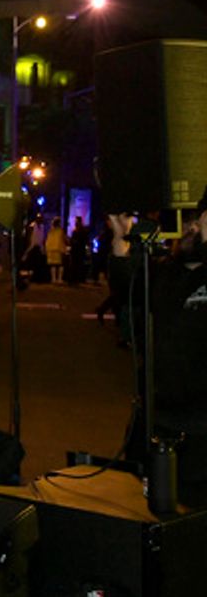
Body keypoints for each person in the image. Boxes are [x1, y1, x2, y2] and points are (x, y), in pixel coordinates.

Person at [108, 187, 207, 508]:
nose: (190, 228)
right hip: (158, 424)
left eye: (198, 220)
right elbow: (131, 288)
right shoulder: (168, 274)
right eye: (186, 221)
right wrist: (122, 237)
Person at [45, 216, 67, 284]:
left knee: (53, 264)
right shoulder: (60, 231)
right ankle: (59, 279)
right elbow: (64, 239)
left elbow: (47, 240)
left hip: (51, 249)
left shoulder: (50, 231)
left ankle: (53, 279)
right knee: (60, 265)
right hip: (58, 249)